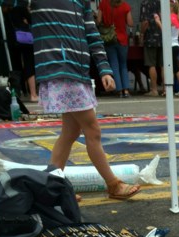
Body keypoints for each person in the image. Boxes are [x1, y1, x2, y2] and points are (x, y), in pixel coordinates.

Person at [30, 0, 141, 200]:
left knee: (69, 133)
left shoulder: (81, 2)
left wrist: (105, 69)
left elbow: (92, 35)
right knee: (93, 130)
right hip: (61, 70)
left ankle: (51, 189)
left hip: (78, 73)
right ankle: (113, 185)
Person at [98, 0, 134, 98]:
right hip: (122, 39)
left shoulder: (103, 4)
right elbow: (130, 23)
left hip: (109, 38)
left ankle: (118, 90)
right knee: (123, 65)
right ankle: (126, 90)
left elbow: (98, 20)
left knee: (114, 65)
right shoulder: (125, 6)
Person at [4, 1, 38, 102]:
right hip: (25, 39)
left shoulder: (5, 8)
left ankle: (19, 93)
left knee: (16, 66)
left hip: (11, 40)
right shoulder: (22, 7)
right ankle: (33, 94)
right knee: (29, 65)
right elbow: (32, 20)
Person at [139, 0, 166, 96]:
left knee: (152, 64)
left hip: (150, 38)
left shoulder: (145, 3)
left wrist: (142, 33)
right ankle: (165, 89)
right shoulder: (162, 2)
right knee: (163, 65)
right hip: (163, 36)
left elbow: (145, 22)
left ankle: (154, 90)